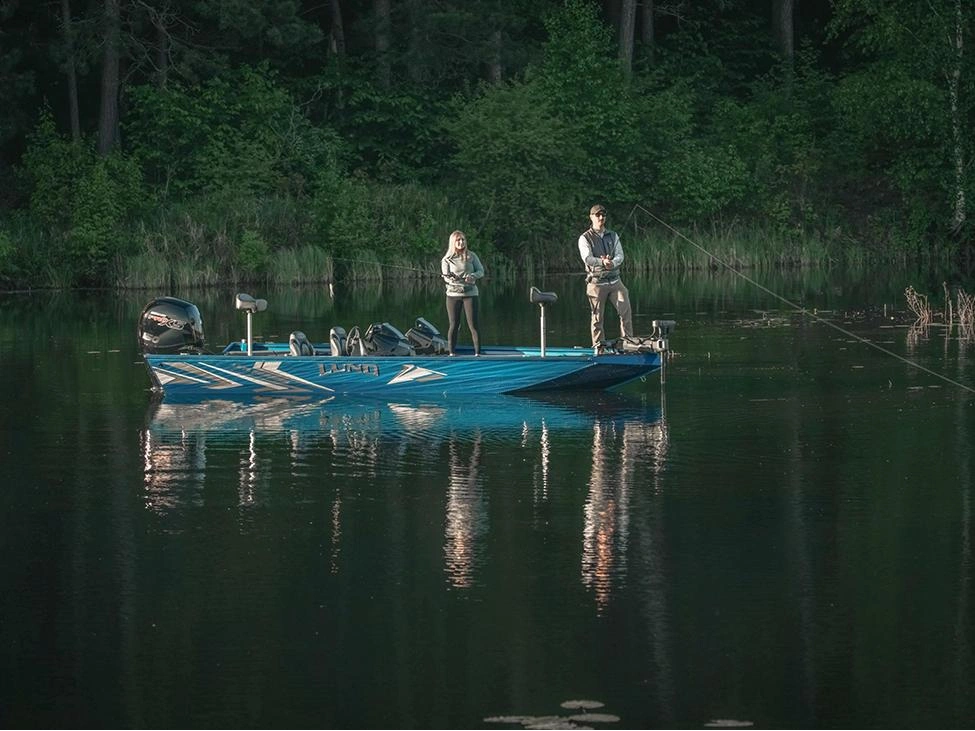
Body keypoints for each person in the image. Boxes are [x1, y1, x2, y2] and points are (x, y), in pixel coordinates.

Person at [578, 203, 633, 353]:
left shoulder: (613, 235)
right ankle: (599, 348)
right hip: (596, 283)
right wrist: (602, 262)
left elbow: (620, 255)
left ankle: (627, 345)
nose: (601, 217)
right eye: (598, 215)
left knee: (625, 311)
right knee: (597, 319)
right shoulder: (584, 238)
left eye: (603, 215)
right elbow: (587, 258)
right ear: (591, 217)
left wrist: (612, 263)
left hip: (615, 281)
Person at [441, 230, 485, 356]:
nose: (461, 242)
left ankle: (478, 353)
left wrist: (473, 276)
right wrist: (452, 278)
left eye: (463, 240)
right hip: (453, 296)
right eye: (458, 240)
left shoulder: (472, 256)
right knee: (454, 325)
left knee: (473, 325)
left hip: (470, 294)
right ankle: (452, 353)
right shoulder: (446, 260)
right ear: (453, 242)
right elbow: (446, 277)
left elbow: (481, 271)